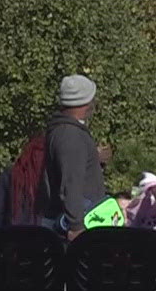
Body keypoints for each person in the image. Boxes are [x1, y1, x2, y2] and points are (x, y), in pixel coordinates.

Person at [35, 75, 112, 237]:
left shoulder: (63, 131)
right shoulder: (70, 136)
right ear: (85, 102)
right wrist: (76, 226)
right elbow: (70, 184)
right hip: (73, 225)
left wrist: (95, 161)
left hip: (75, 218)